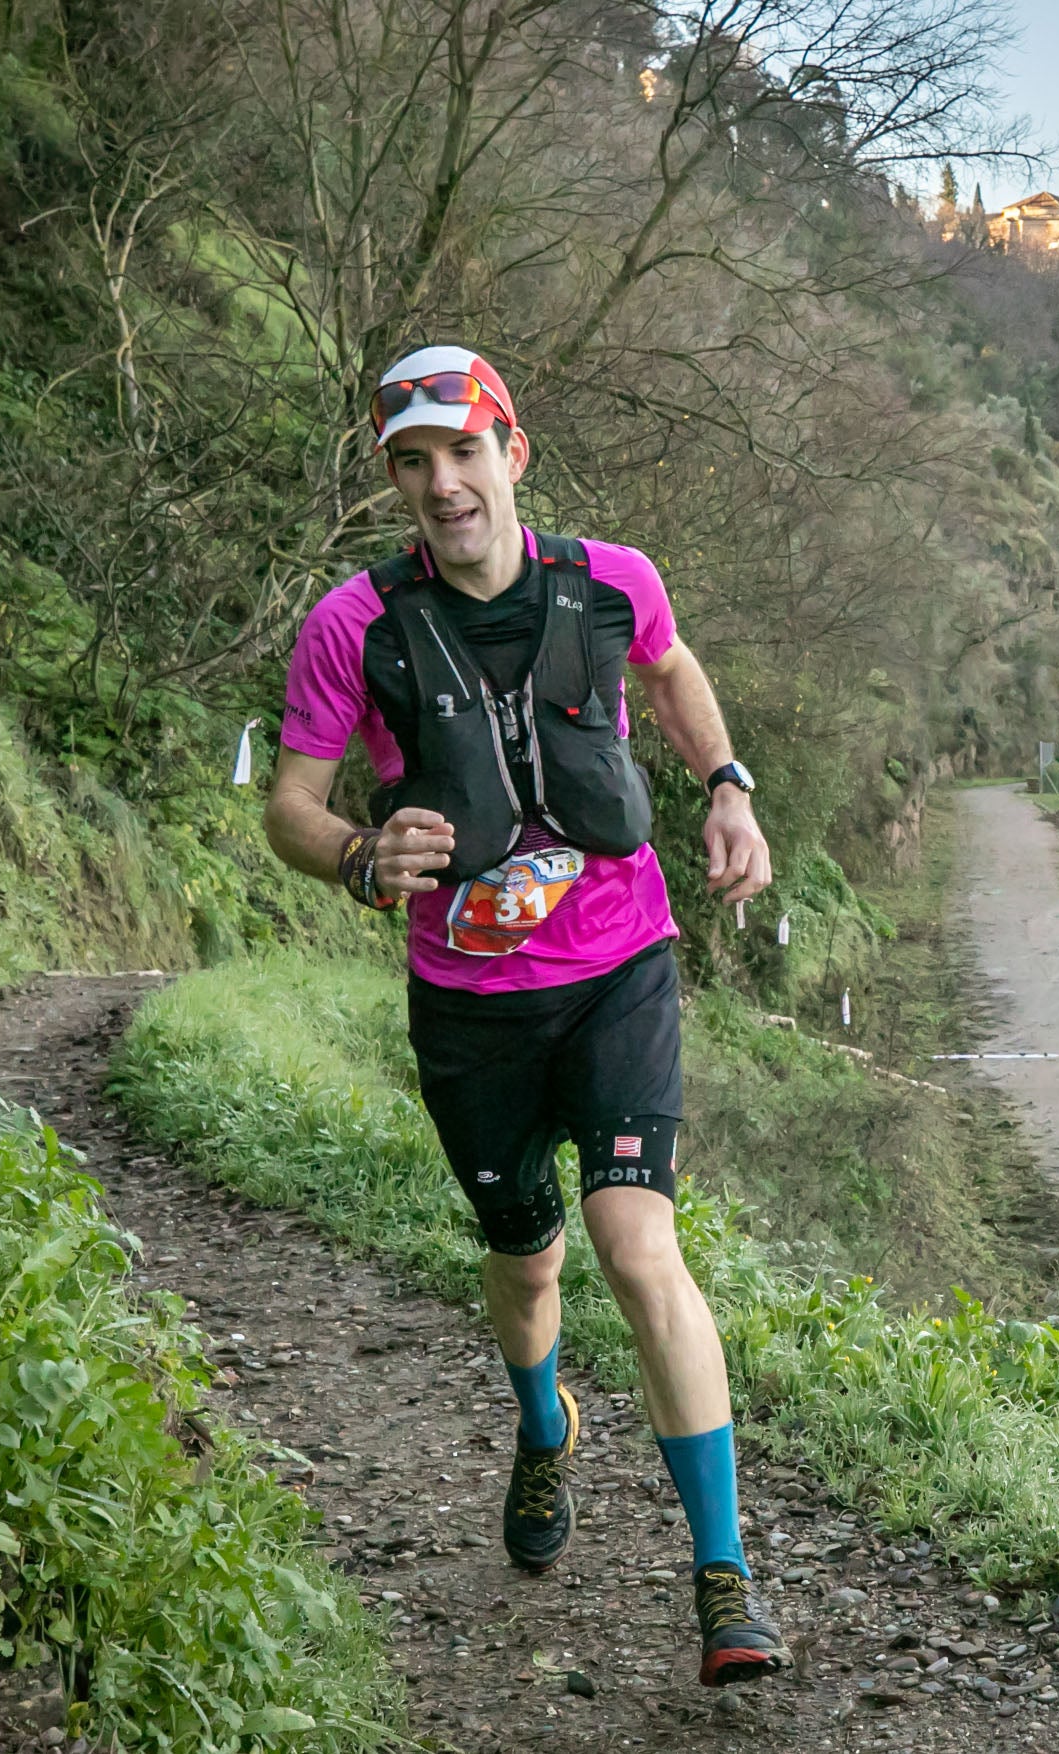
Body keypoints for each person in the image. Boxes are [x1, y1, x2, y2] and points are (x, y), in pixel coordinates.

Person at [262, 344, 785, 1685]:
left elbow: (671, 675)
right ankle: (541, 1420)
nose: (443, 483)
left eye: (464, 450)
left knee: (634, 1243)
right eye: (412, 462)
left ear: (514, 452)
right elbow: (292, 802)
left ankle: (722, 1580)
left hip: (620, 967)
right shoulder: (353, 628)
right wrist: (351, 856)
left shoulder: (613, 582)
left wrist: (724, 782)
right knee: (529, 1259)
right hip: (469, 1007)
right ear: (395, 477)